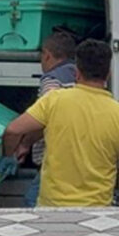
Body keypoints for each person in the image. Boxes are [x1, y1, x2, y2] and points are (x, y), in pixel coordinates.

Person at [2, 40, 119, 207]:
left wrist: (9, 155)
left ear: (77, 73)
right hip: (97, 212)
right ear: (108, 74)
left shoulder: (54, 101)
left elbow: (13, 130)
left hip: (52, 208)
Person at [19, 32, 78, 207]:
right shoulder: (81, 75)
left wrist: (25, 144)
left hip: (55, 158)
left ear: (47, 54)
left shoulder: (52, 80)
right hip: (79, 154)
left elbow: (46, 118)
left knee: (32, 202)